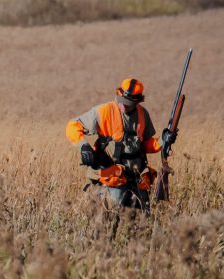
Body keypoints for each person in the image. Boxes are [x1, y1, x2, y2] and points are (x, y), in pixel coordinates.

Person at [65, 78, 175, 210]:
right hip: (112, 177)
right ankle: (100, 199)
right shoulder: (104, 111)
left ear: (137, 102)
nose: (123, 105)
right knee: (115, 205)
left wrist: (163, 140)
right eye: (121, 101)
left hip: (136, 178)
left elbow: (145, 145)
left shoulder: (142, 114)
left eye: (127, 104)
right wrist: (83, 145)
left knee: (143, 215)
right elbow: (72, 125)